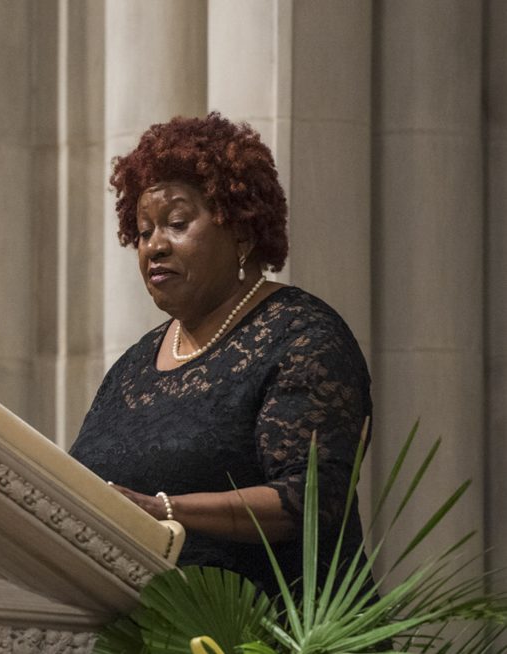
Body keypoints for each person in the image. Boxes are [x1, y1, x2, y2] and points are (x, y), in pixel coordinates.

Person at [69, 113, 371, 598]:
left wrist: (166, 511)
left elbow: (309, 498)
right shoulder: (133, 365)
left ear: (243, 234)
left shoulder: (301, 334)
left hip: (267, 632)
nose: (154, 247)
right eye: (143, 232)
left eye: (177, 224)